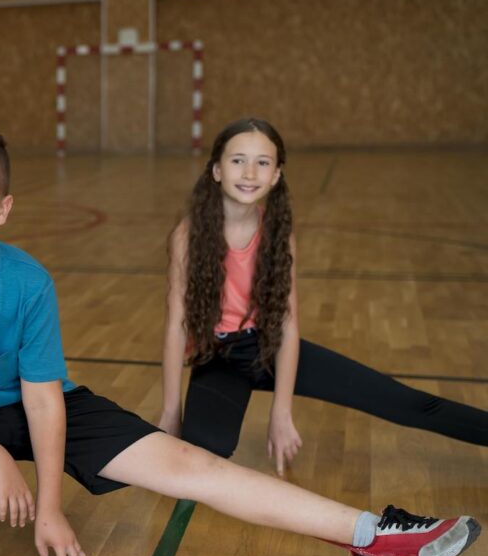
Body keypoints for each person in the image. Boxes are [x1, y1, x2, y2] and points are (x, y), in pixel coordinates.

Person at [0, 120, 480, 556]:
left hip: (45, 405)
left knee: (196, 467)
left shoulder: (28, 282)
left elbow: (42, 401)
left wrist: (49, 506)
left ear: (2, 209)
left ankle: (376, 534)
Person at [158, 117, 487, 476]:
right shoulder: (187, 235)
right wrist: (171, 411)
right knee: (207, 445)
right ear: (217, 170)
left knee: (407, 403)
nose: (249, 172)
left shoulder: (278, 233)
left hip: (268, 347)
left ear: (276, 175)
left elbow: (286, 325)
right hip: (218, 356)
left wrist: (281, 413)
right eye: (238, 160)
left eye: (262, 162)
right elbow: (177, 327)